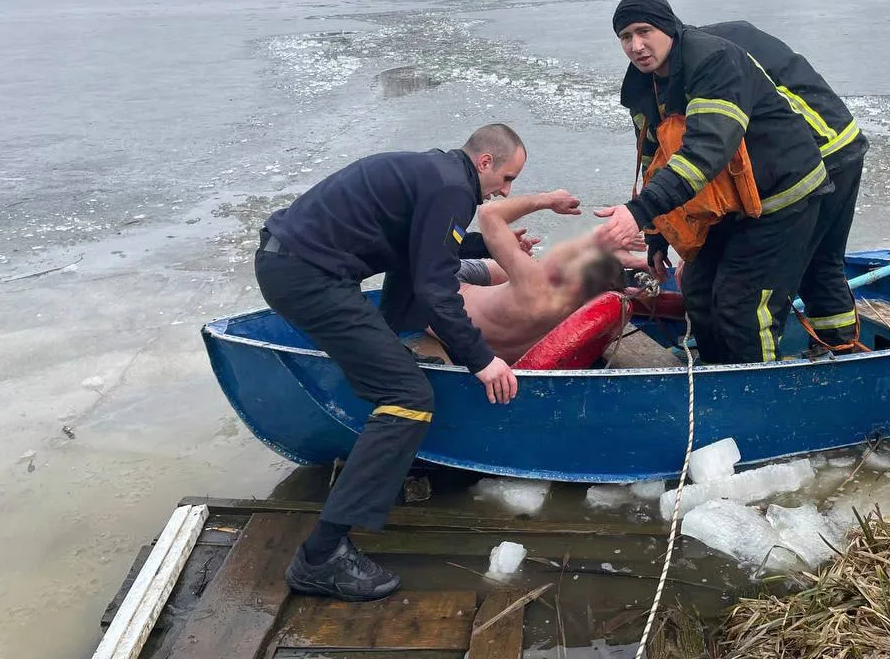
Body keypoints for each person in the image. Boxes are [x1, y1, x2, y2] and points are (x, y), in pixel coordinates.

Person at [253, 124, 524, 601]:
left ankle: (378, 383)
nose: (506, 191)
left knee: (399, 363)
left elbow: (424, 246)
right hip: (308, 276)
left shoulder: (437, 172)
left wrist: (489, 246)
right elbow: (436, 286)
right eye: (507, 178)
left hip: (289, 262)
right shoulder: (453, 188)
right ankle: (321, 556)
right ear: (484, 162)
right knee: (409, 397)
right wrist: (483, 361)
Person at [594, 0, 829, 364]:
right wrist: (656, 235)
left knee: (743, 306)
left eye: (644, 31)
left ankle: (755, 394)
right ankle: (716, 378)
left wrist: (638, 212)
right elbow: (656, 160)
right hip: (724, 204)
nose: (636, 46)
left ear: (668, 27)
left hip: (781, 197)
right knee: (700, 294)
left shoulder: (713, 61)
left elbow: (707, 151)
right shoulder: (642, 84)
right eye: (625, 37)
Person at [696, 20, 868, 351]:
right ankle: (840, 352)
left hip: (816, 155)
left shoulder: (707, 63)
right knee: (823, 262)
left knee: (765, 281)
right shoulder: (722, 39)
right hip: (842, 142)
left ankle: (774, 364)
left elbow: (714, 143)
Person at [429, 190, 632, 362]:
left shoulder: (534, 281)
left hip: (437, 300)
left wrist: (548, 199)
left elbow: (489, 213)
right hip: (492, 346)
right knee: (511, 265)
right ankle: (494, 250)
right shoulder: (572, 307)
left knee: (503, 260)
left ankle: (490, 248)